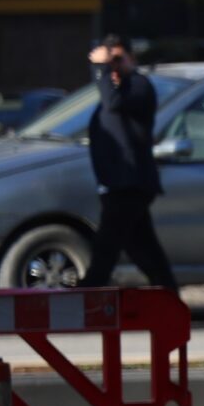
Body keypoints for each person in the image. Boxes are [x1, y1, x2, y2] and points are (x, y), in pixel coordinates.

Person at [83, 35, 177, 291]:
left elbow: (113, 104)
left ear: (132, 59)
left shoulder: (139, 86)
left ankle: (87, 294)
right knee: (143, 250)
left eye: (118, 59)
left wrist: (101, 68)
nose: (113, 65)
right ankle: (169, 298)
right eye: (109, 60)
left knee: (107, 246)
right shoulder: (114, 90)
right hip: (118, 184)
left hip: (131, 184)